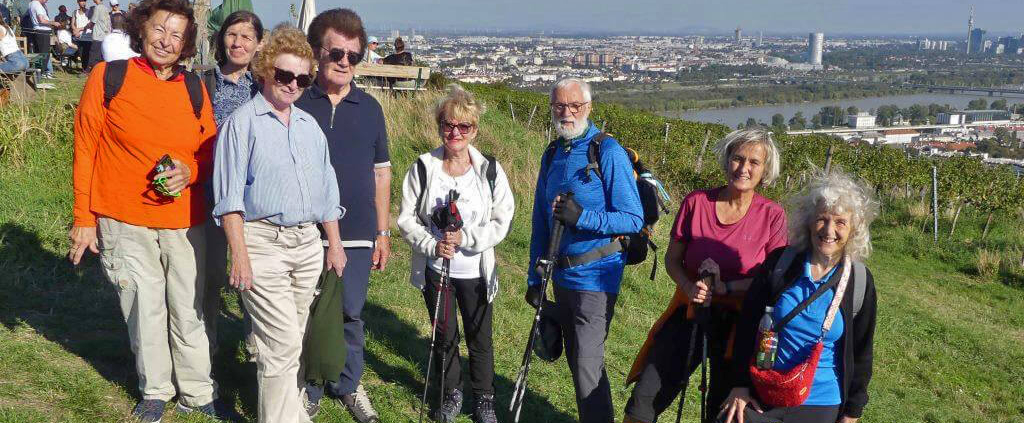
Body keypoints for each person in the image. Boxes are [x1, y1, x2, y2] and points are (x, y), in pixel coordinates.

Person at [67, 0, 221, 422]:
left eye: (177, 34)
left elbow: (211, 152)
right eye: (159, 29)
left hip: (186, 219)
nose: (166, 41)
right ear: (141, 29)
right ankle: (155, 389)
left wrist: (190, 172)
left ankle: (197, 391)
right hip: (122, 217)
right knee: (144, 305)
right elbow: (85, 148)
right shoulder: (109, 76)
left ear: (187, 43)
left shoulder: (194, 87)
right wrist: (84, 218)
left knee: (188, 308)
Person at [212, 24, 346, 423]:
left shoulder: (309, 127)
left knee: (288, 341)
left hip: (306, 244)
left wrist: (334, 245)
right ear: (267, 70)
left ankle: (290, 413)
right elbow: (229, 201)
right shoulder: (242, 124)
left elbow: (327, 192)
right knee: (282, 342)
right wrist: (240, 256)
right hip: (261, 242)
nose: (292, 85)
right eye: (285, 75)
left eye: (303, 79)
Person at [622, 128, 787, 423]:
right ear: (727, 161)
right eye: (738, 158)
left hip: (741, 323)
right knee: (645, 397)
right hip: (691, 309)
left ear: (766, 170)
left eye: (754, 162)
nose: (744, 168)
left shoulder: (772, 216)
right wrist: (688, 285)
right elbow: (673, 259)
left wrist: (726, 286)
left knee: (723, 411)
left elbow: (773, 278)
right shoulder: (696, 203)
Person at [526, 77, 644, 423]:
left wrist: (583, 217)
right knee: (578, 360)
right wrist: (535, 274)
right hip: (561, 275)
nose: (567, 113)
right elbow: (540, 220)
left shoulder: (606, 151)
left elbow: (632, 218)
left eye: (574, 106)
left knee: (586, 364)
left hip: (596, 276)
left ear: (588, 108)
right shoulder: (553, 153)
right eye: (560, 106)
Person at [719, 170, 879, 423]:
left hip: (822, 402)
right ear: (808, 221)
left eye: (840, 222)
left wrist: (852, 412)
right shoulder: (781, 263)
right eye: (821, 219)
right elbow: (748, 325)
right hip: (765, 393)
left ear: (854, 230)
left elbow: (861, 351)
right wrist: (740, 385)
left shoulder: (859, 281)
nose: (829, 230)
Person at [397, 84, 514, 423]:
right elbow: (406, 219)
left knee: (481, 339)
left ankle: (484, 399)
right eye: (449, 125)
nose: (455, 133)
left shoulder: (490, 170)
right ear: (439, 125)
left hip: (476, 271)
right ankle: (451, 393)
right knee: (443, 336)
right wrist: (432, 244)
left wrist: (468, 237)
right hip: (437, 268)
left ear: (474, 130)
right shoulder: (423, 167)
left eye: (464, 127)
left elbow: (502, 218)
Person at [298, 8, 391, 423]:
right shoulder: (297, 100)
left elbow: (381, 173)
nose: (344, 62)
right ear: (318, 51)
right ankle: (310, 384)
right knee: (307, 311)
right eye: (336, 52)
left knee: (351, 311)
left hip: (357, 231)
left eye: (353, 56)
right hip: (302, 229)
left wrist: (383, 232)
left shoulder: (370, 108)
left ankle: (349, 384)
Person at [202, 9, 263, 358]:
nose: (237, 43)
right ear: (221, 38)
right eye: (231, 34)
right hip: (208, 196)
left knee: (253, 281)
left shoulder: (265, 86)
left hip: (252, 200)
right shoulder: (203, 82)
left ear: (258, 45)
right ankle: (205, 355)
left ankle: (258, 354)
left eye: (246, 37)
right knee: (208, 281)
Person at [25, 0, 61, 78]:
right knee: (44, 54)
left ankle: (38, 73)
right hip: (43, 31)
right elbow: (41, 20)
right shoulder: (37, 5)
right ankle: (40, 73)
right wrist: (53, 23)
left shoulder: (31, 4)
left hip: (38, 31)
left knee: (38, 54)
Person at [85, 0, 112, 70]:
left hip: (98, 35)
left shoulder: (97, 8)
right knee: (102, 56)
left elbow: (93, 21)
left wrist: (82, 28)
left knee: (93, 55)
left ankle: (89, 71)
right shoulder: (106, 8)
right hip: (105, 35)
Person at [71, 0, 92, 69]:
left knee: (86, 54)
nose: (83, 3)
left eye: (84, 1)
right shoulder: (75, 12)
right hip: (78, 36)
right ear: (78, 2)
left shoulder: (89, 12)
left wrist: (79, 29)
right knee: (79, 53)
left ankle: (86, 69)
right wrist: (75, 30)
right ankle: (83, 68)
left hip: (87, 36)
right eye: (81, 1)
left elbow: (90, 24)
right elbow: (72, 24)